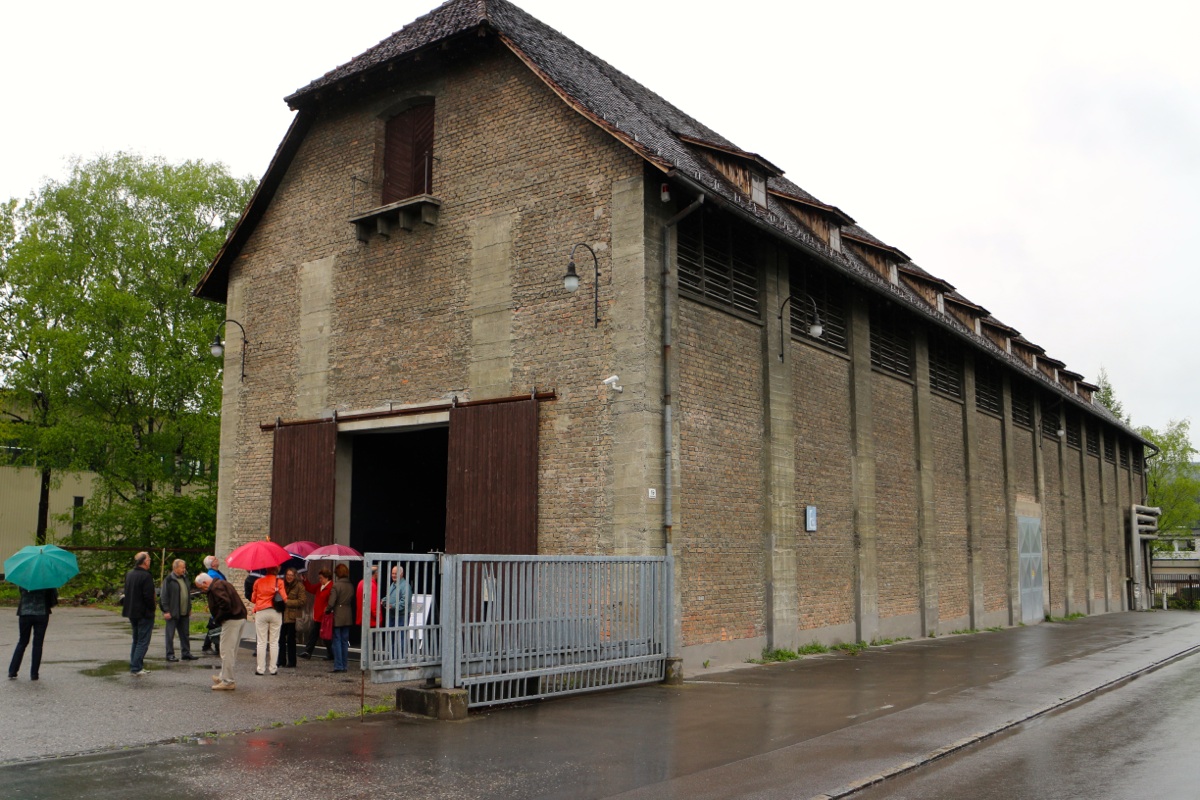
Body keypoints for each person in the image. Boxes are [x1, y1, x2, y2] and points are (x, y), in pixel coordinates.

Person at [195, 573, 247, 691]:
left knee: (226, 651)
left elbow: (225, 604)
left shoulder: (215, 587)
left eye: (201, 587)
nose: (202, 590)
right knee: (230, 650)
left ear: (205, 583)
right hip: (239, 617)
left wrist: (217, 618)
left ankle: (228, 681)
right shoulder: (222, 583)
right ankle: (223, 676)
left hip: (231, 620)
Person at [8, 586, 58, 681]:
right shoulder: (47, 582)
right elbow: (53, 598)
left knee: (22, 642)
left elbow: (22, 593)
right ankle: (34, 674)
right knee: (38, 644)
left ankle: (12, 671)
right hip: (41, 614)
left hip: (25, 613)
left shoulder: (23, 581)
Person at [121, 551, 155, 676]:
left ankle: (135, 665)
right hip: (144, 613)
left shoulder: (130, 574)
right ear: (145, 562)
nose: (150, 561)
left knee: (136, 640)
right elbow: (148, 596)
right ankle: (136, 667)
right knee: (143, 641)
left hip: (131, 611)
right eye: (149, 559)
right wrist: (152, 608)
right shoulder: (146, 576)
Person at [160, 559, 197, 662]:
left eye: (184, 567)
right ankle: (170, 654)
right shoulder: (169, 580)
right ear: (175, 568)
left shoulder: (185, 578)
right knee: (170, 635)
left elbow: (187, 595)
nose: (184, 569)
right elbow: (164, 596)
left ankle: (186, 653)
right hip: (173, 612)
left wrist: (189, 608)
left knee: (185, 634)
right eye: (182, 567)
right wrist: (166, 611)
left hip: (184, 612)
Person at [250, 566, 285, 676]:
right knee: (274, 642)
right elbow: (284, 598)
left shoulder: (258, 581)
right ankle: (273, 668)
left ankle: (260, 669)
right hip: (275, 612)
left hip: (261, 612)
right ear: (276, 571)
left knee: (261, 642)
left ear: (266, 570)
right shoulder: (279, 582)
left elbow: (253, 599)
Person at [326, 563, 355, 673]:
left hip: (338, 614)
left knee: (337, 641)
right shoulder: (350, 585)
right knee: (344, 641)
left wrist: (327, 610)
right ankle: (344, 665)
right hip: (348, 614)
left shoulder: (336, 586)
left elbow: (331, 602)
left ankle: (338, 665)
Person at [300, 568, 333, 660]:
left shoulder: (331, 587)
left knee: (325, 636)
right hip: (318, 615)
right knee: (315, 634)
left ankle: (330, 653)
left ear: (327, 578)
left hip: (325, 616)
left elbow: (331, 602)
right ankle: (308, 652)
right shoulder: (320, 586)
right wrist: (305, 581)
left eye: (321, 578)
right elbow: (310, 588)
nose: (320, 580)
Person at [277, 567, 305, 669]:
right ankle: (281, 660)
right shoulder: (282, 584)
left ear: (295, 576)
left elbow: (302, 601)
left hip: (293, 617)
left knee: (291, 640)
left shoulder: (299, 586)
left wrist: (288, 602)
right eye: (288, 575)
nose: (289, 577)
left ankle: (292, 662)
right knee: (281, 639)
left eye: (291, 575)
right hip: (282, 615)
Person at [384, 564, 412, 659]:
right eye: (392, 573)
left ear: (401, 574)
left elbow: (405, 602)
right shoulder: (393, 584)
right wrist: (384, 600)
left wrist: (392, 606)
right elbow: (389, 596)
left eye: (395, 573)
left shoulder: (405, 586)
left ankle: (400, 659)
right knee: (392, 638)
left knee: (400, 639)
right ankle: (393, 658)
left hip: (401, 616)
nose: (393, 575)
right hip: (392, 615)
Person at [201, 555, 226, 655]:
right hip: (217, 602)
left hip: (218, 602)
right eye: (214, 559)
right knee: (215, 623)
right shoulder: (212, 575)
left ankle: (211, 646)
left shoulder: (216, 573)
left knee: (215, 624)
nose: (217, 559)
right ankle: (211, 646)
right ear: (212, 564)